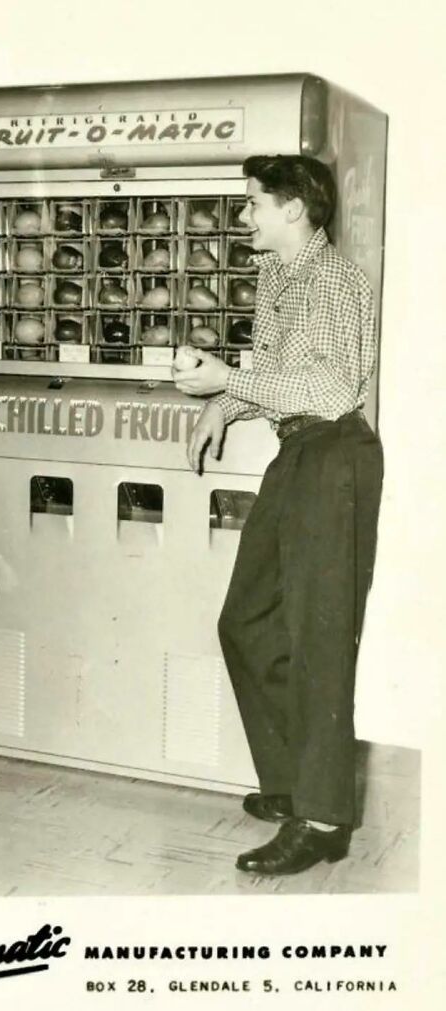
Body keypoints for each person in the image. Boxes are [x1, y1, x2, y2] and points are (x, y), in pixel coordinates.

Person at [173, 154, 383, 875]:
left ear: (294, 209)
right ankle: (295, 782)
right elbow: (271, 368)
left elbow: (330, 389)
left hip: (334, 453)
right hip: (297, 451)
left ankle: (322, 819)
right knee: (247, 620)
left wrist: (226, 378)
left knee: (319, 637)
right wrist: (222, 405)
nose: (244, 217)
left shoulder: (335, 281)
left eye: (253, 203)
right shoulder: (278, 274)